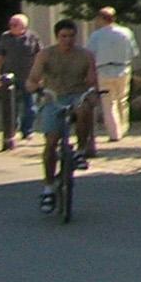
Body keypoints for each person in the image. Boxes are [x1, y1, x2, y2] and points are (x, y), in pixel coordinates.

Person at [26, 20, 98, 213]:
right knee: (51, 142)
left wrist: (92, 94)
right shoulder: (46, 54)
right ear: (57, 37)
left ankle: (81, 150)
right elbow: (32, 79)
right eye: (63, 36)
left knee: (84, 109)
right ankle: (48, 187)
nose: (68, 40)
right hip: (54, 96)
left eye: (71, 36)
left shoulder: (85, 55)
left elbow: (92, 82)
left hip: (76, 94)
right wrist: (35, 88)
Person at [87, 7, 137, 145]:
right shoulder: (126, 32)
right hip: (123, 68)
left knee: (108, 103)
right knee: (123, 100)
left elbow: (90, 54)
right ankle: (123, 127)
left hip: (104, 70)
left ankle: (114, 133)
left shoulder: (96, 36)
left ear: (101, 19)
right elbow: (133, 52)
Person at [0, 14, 41, 149]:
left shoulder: (33, 37)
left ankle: (27, 130)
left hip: (29, 77)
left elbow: (39, 56)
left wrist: (40, 75)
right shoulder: (5, 37)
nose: (11, 27)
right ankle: (11, 130)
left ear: (24, 26)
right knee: (11, 106)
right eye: (10, 24)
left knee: (30, 106)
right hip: (10, 77)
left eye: (15, 24)